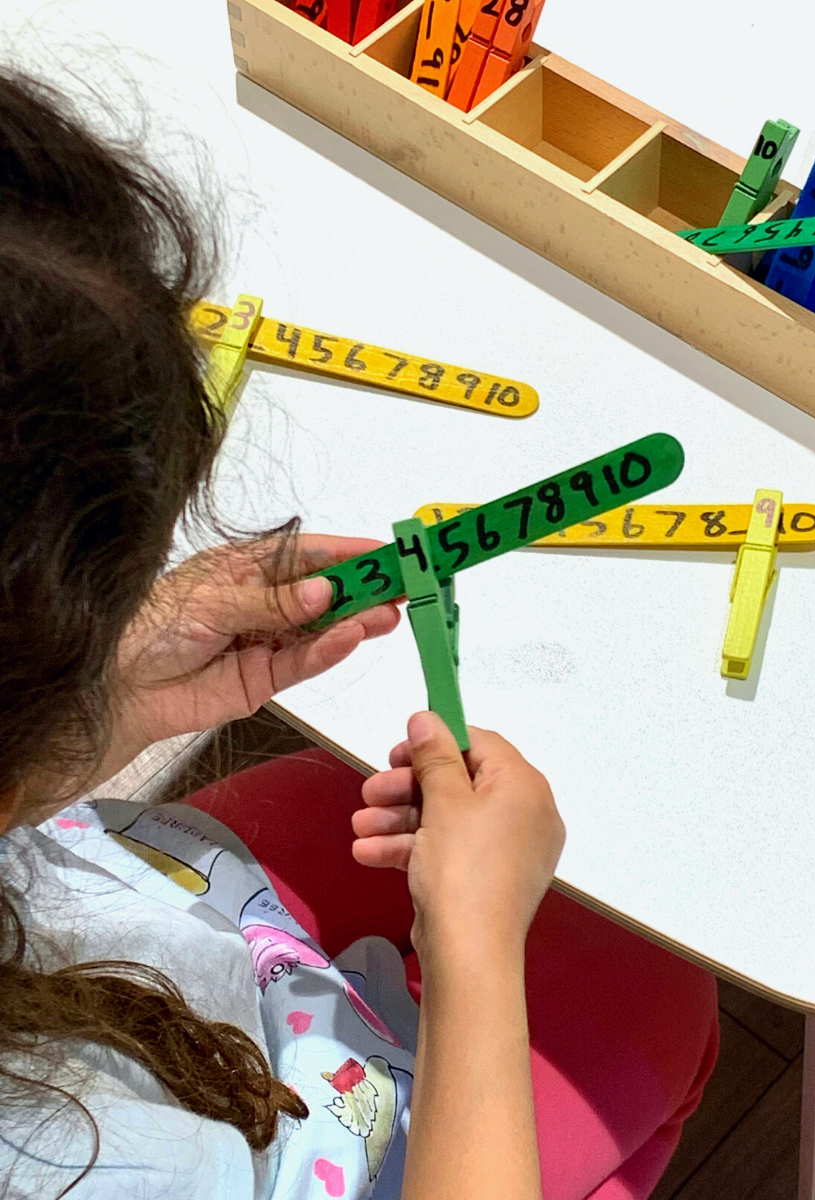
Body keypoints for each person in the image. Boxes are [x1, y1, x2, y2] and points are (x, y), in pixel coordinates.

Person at [0, 68, 719, 1200]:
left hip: (157, 926)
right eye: (108, 599)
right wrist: (475, 952)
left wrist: (113, 693)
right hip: (333, 1152)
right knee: (662, 1013)